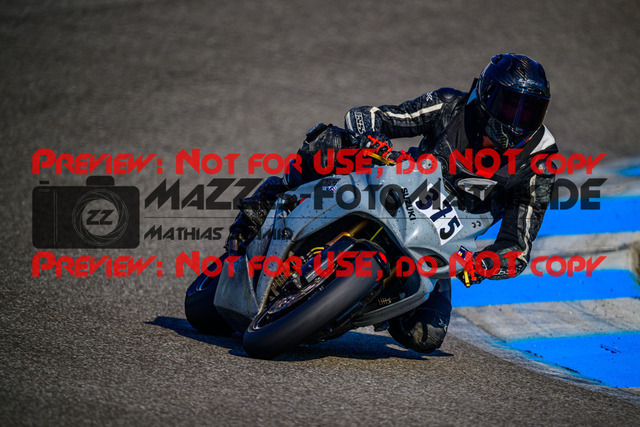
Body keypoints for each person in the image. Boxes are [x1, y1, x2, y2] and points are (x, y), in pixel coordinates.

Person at [227, 53, 558, 354]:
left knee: (425, 336)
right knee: (330, 143)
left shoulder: (539, 162)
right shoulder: (449, 106)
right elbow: (368, 116)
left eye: (530, 111)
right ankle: (260, 209)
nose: (517, 121)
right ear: (486, 95)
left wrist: (484, 264)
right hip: (400, 188)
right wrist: (374, 142)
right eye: (510, 106)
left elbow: (517, 248)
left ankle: (354, 304)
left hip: (442, 242)